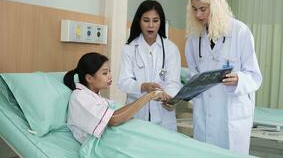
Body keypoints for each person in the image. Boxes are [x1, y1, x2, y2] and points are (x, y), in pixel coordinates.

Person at [63, 52, 245, 158]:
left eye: (109, 71)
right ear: (88, 78)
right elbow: (114, 119)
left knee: (179, 145)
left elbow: (117, 114)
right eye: (104, 73)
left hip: (122, 135)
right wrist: (149, 95)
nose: (110, 76)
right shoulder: (80, 98)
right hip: (105, 145)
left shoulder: (96, 97)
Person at [185, 0, 262, 154]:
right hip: (204, 113)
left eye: (203, 9)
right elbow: (193, 73)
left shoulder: (240, 32)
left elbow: (255, 76)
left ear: (216, 6)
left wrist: (239, 79)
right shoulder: (193, 39)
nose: (198, 14)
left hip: (232, 115)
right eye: (195, 9)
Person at [118, 0, 182, 131]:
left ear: (161, 22)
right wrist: (143, 86)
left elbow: (174, 82)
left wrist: (169, 99)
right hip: (136, 114)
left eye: (155, 20)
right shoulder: (129, 48)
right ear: (139, 21)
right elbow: (123, 82)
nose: (151, 25)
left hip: (164, 115)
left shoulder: (171, 48)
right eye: (146, 20)